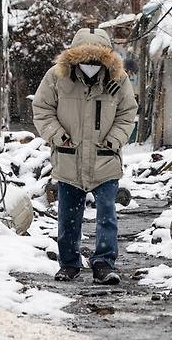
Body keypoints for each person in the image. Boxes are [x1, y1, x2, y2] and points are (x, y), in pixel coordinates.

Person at [33, 26, 137, 285]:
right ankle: (69, 263)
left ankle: (104, 263)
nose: (91, 65)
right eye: (84, 60)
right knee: (68, 216)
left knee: (106, 214)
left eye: (97, 60)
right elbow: (42, 109)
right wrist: (58, 136)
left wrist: (113, 140)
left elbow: (127, 113)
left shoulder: (118, 80)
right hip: (70, 157)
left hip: (105, 158)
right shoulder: (57, 77)